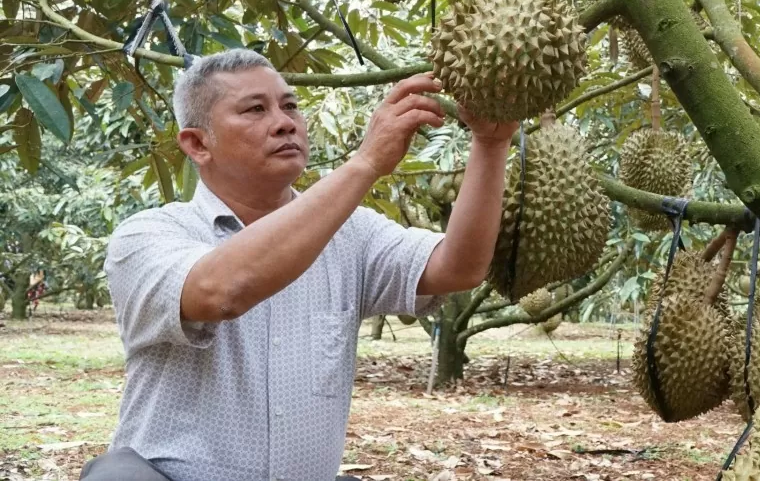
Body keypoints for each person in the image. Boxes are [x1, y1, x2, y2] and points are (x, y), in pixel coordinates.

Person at [79, 49, 518, 481]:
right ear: (197, 144)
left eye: (290, 106)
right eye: (255, 109)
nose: (286, 121)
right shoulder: (148, 236)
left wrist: (491, 143)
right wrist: (365, 164)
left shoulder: (352, 232)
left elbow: (459, 267)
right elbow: (220, 290)